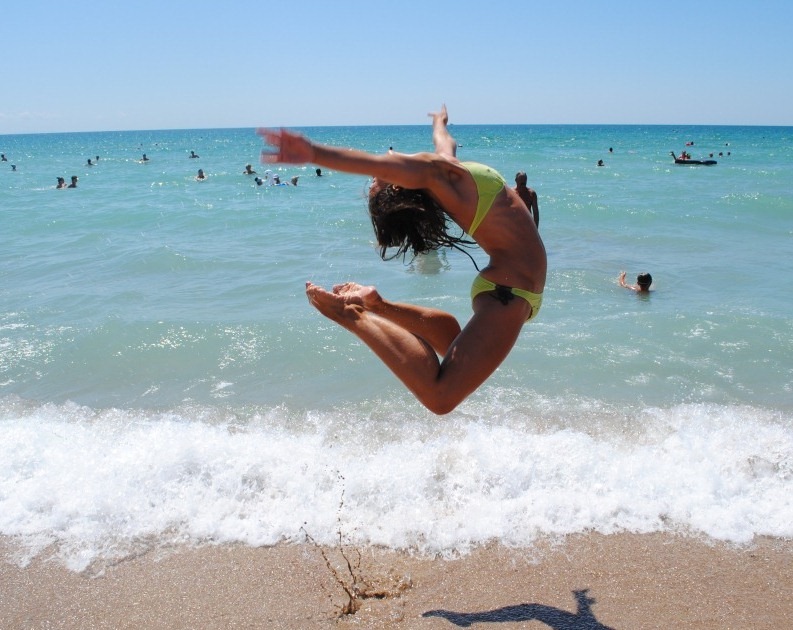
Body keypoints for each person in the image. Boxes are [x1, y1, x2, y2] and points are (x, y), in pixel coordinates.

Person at [258, 105, 546, 414]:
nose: (378, 171)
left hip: (510, 287)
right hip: (509, 291)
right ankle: (352, 315)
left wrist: (439, 122)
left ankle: (377, 305)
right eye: (377, 180)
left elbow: (445, 143)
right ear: (398, 183)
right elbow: (374, 162)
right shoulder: (436, 174)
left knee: (455, 345)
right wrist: (314, 153)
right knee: (441, 398)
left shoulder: (444, 173)